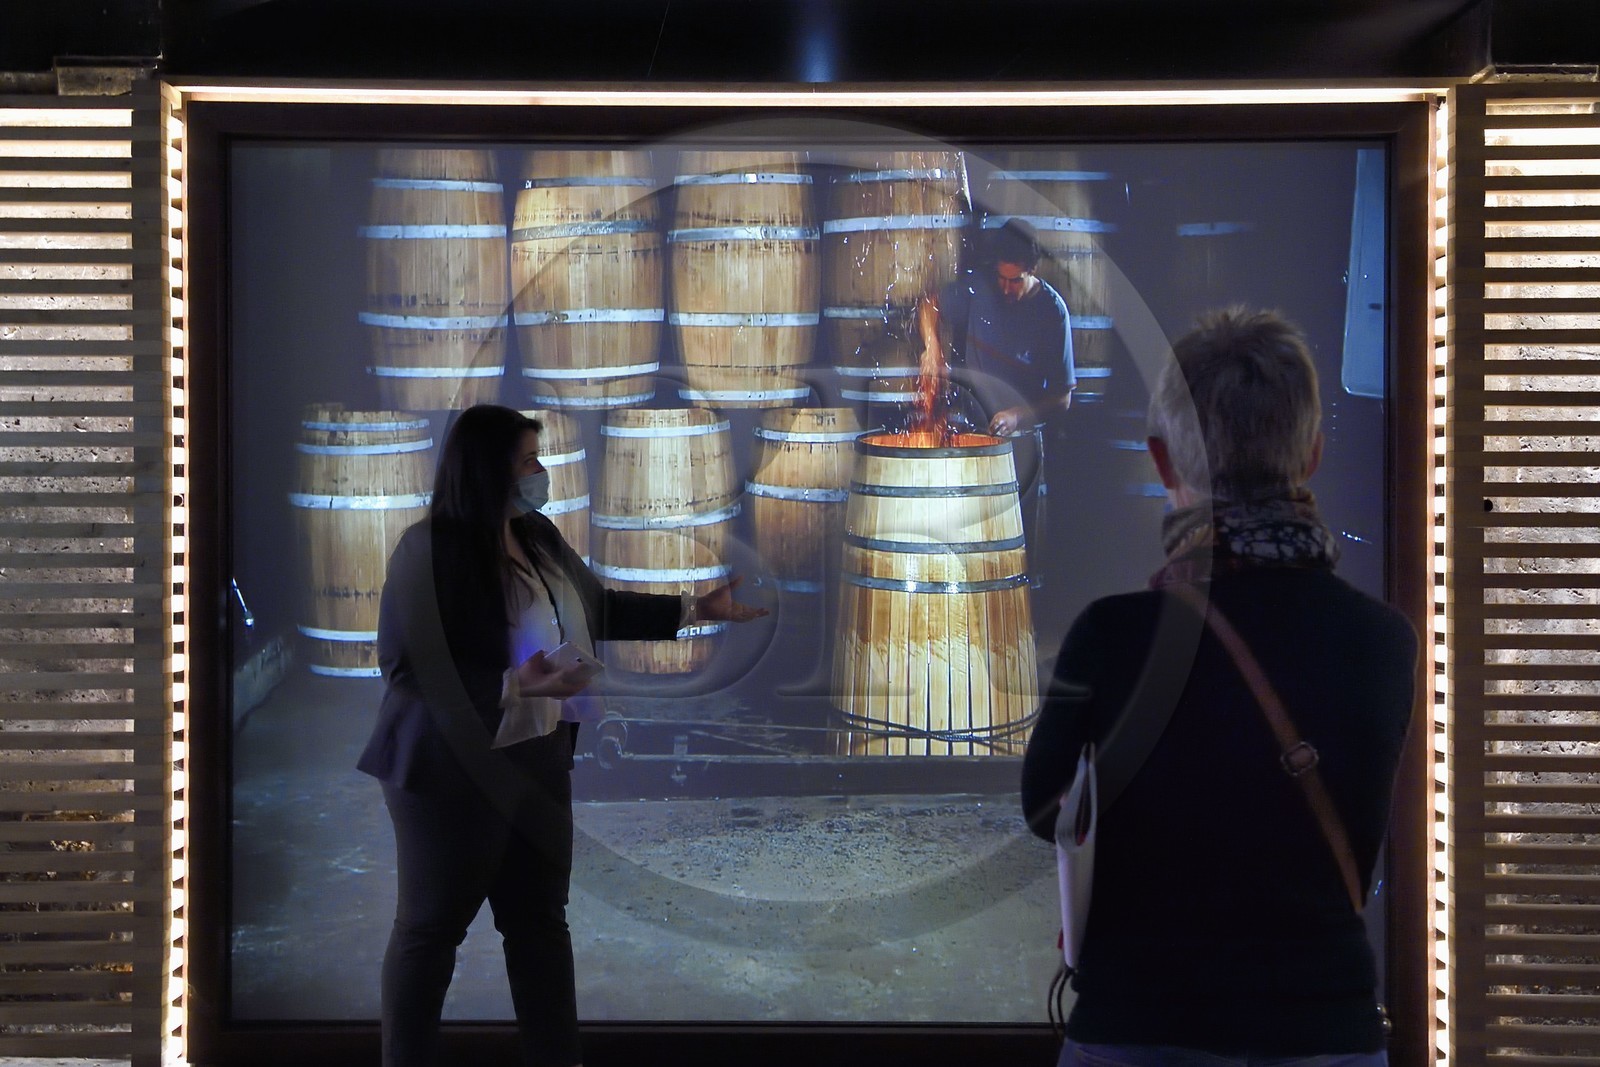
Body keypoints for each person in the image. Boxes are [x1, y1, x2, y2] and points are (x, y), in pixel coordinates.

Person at [1020, 307, 1417, 1066]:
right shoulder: (1384, 642)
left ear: (1164, 463)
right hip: (1326, 1035)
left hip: (1137, 1026)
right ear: (1314, 455)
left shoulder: (1111, 636)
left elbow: (1045, 808)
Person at [356, 403, 766, 1067]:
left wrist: (696, 608)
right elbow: (404, 663)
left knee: (540, 926)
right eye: (526, 460)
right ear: (487, 468)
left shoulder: (538, 535)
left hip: (538, 760)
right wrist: (516, 684)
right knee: (430, 933)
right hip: (450, 774)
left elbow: (596, 606)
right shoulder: (427, 549)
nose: (540, 472)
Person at [916, 218, 1075, 580]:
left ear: (1033, 270)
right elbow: (930, 303)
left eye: (1015, 280)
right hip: (971, 433)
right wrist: (932, 346)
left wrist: (1020, 414)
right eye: (1001, 278)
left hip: (1020, 446)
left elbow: (1064, 398)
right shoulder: (979, 289)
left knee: (1014, 555)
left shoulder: (1052, 312)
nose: (1006, 288)